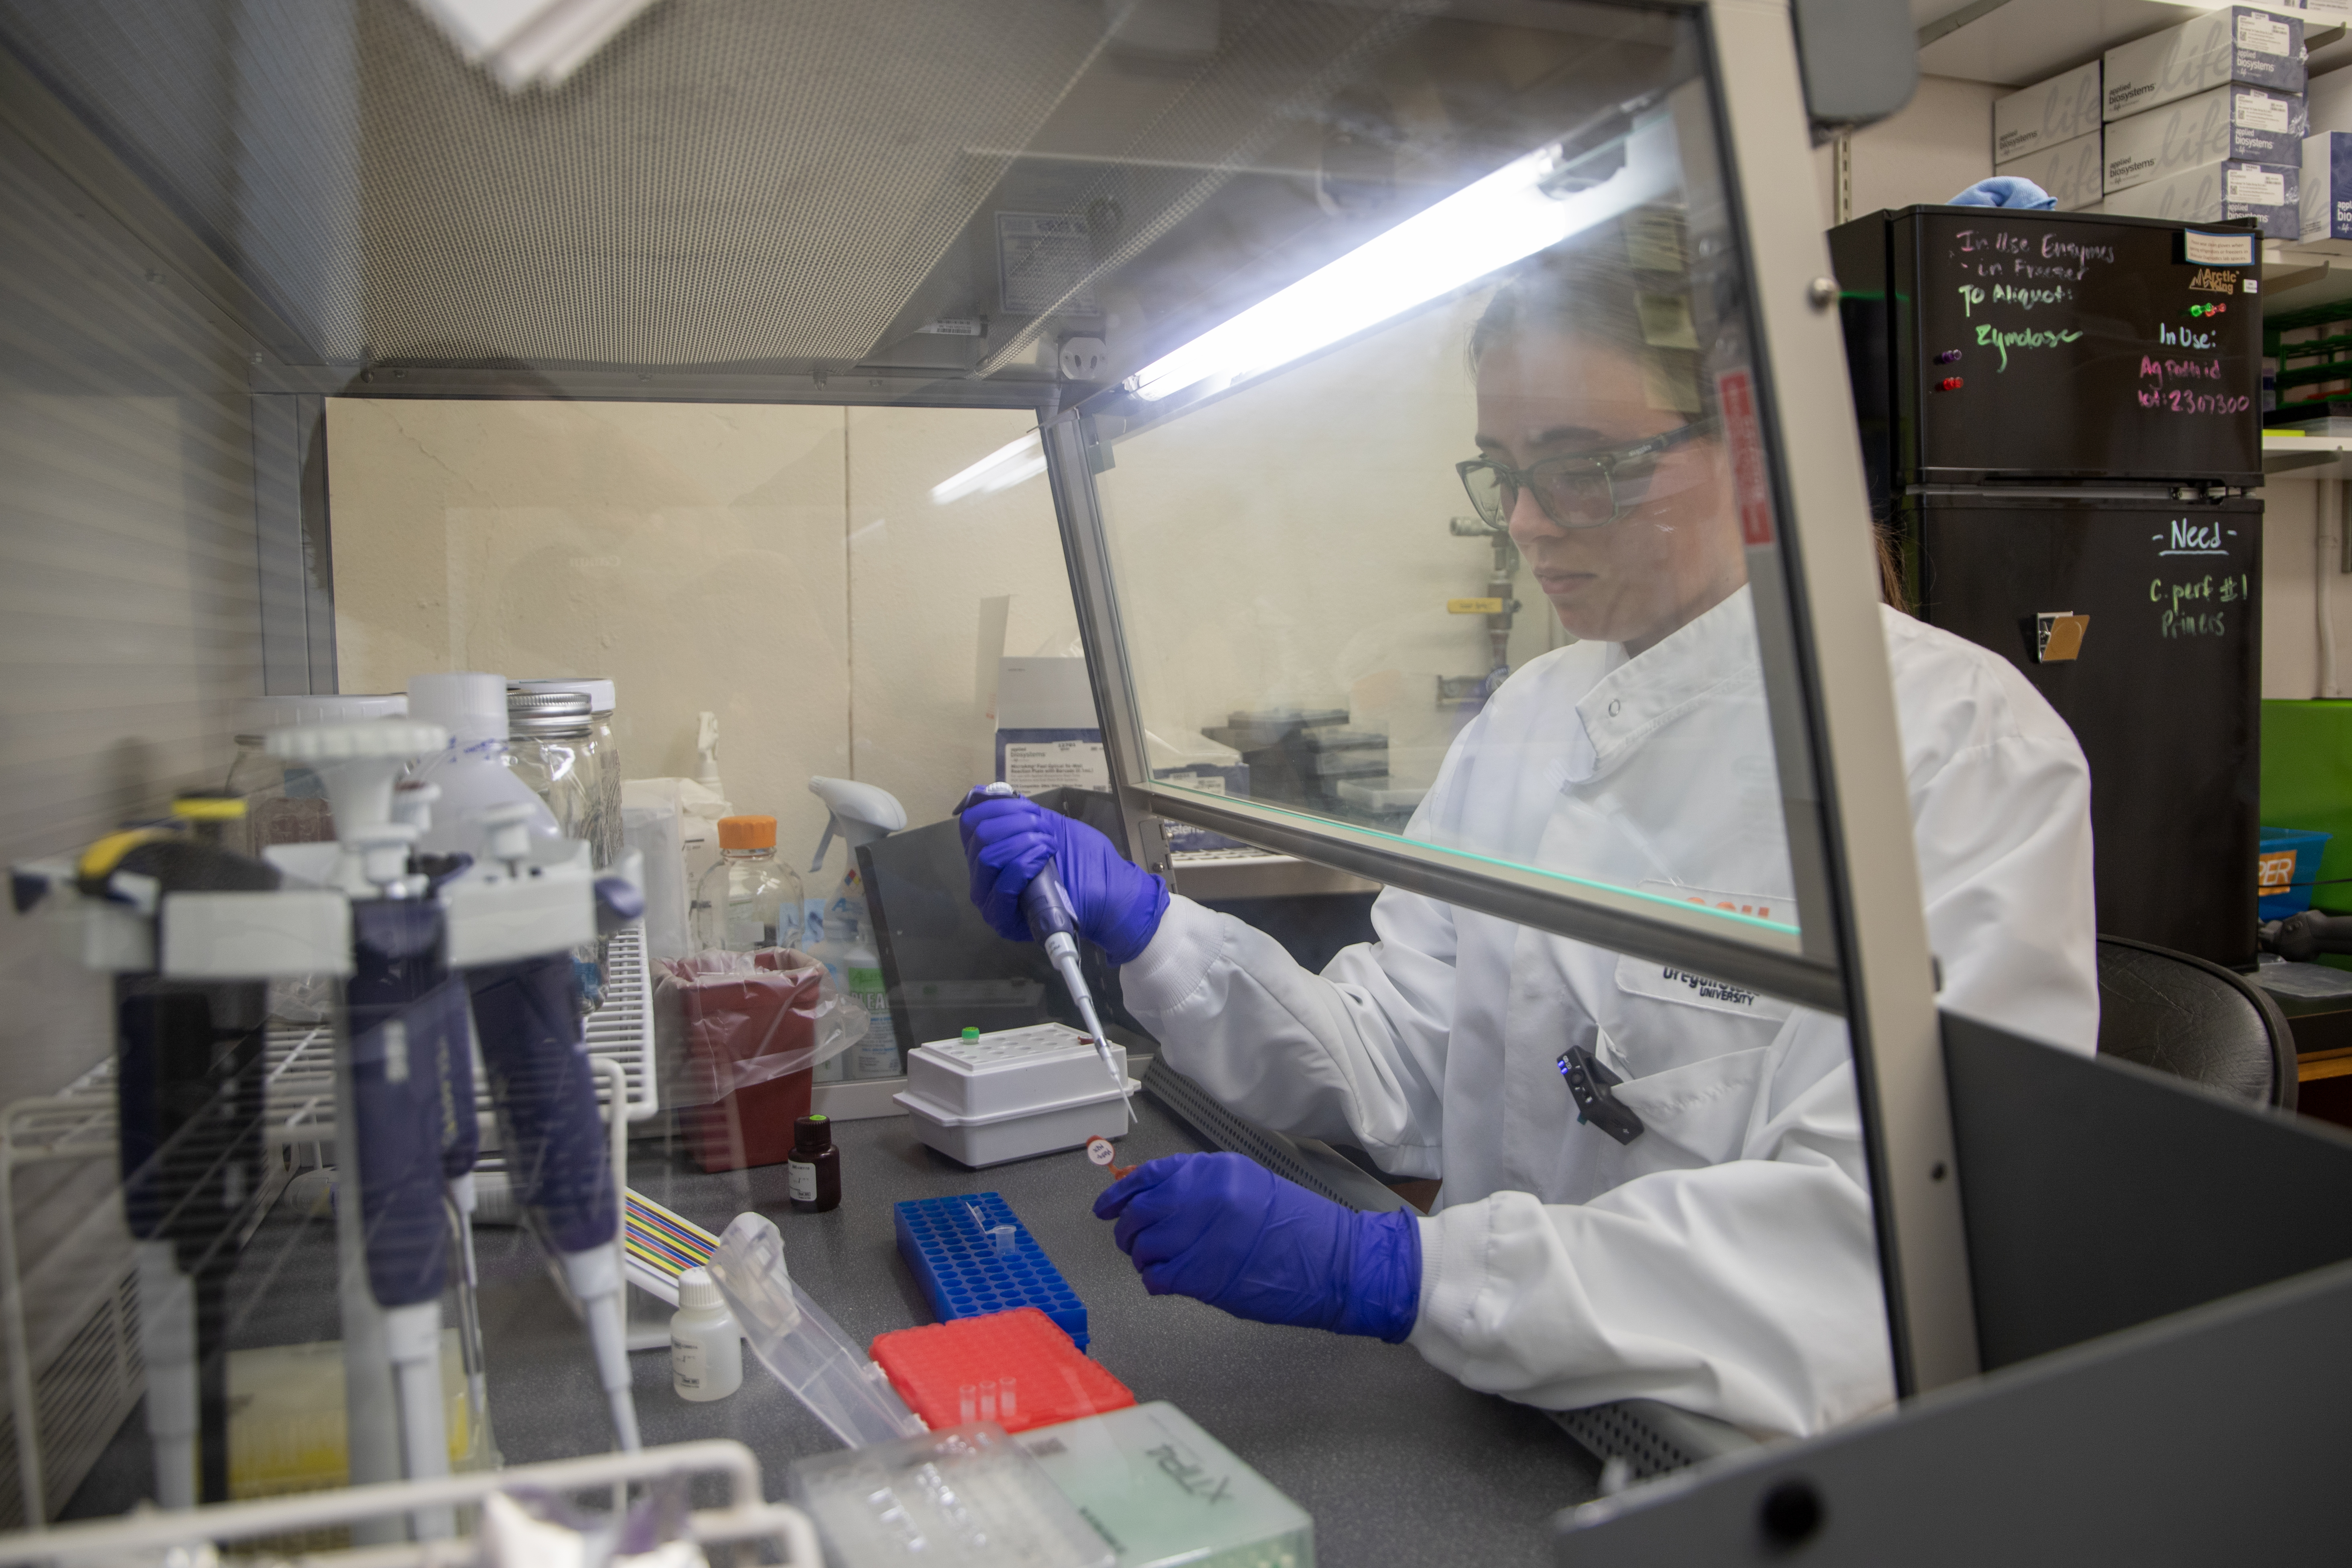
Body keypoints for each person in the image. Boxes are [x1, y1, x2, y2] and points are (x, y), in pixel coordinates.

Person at [958, 217, 2096, 1439]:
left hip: (1757, 1477)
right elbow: (1405, 1058)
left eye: (1586, 463)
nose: (1529, 523)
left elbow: (1876, 1254)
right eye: (1505, 469)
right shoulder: (1536, 718)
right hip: (1517, 1428)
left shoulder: (1953, 748)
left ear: (1754, 450)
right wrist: (1154, 931)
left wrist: (1409, 1274)